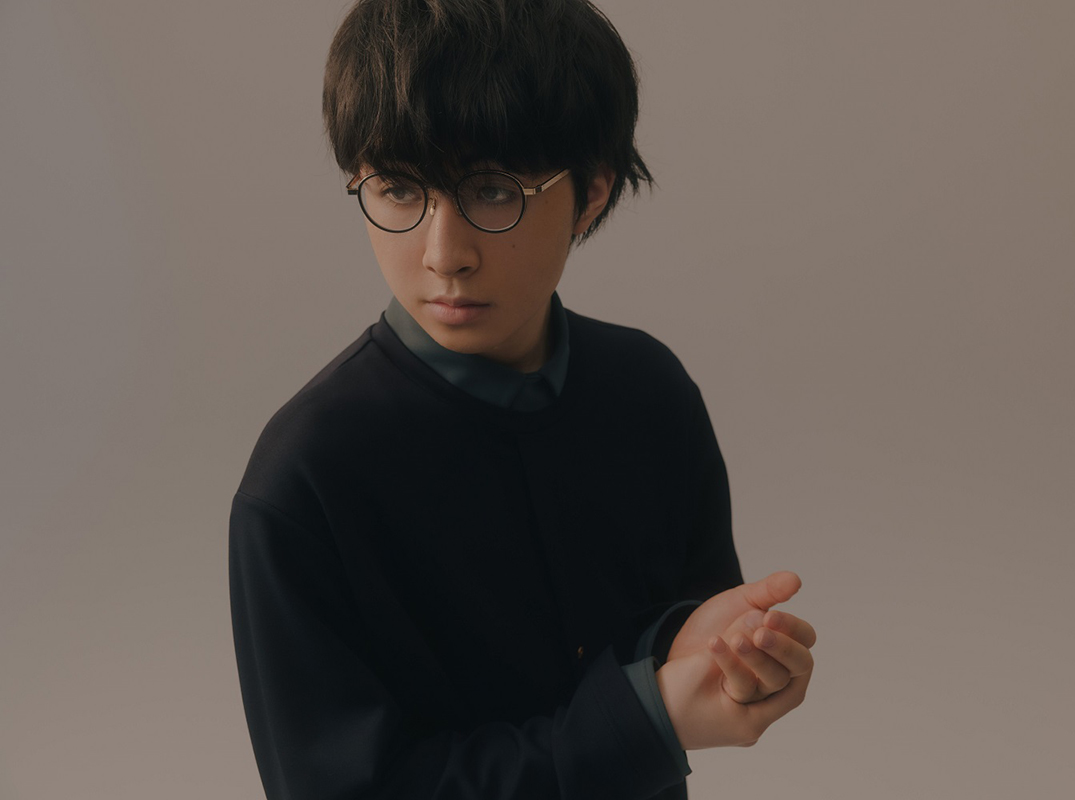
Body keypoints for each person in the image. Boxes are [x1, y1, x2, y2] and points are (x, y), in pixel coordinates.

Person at [227, 1, 816, 798]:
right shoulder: (304, 481)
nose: (444, 255)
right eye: (398, 188)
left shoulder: (651, 391)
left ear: (592, 194)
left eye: (493, 190)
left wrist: (705, 651)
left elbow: (669, 623)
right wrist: (647, 718)